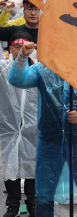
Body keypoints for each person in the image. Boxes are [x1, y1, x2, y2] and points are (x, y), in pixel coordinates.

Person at [8, 40, 77, 217]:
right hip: (50, 138)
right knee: (44, 191)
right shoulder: (43, 70)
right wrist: (22, 56)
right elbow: (16, 80)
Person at [0, 33, 37, 217]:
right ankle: (12, 205)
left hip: (32, 125)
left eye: (25, 46)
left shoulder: (37, 69)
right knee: (10, 165)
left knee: (32, 162)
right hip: (8, 126)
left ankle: (33, 203)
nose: (21, 50)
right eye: (17, 46)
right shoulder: (2, 69)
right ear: (10, 49)